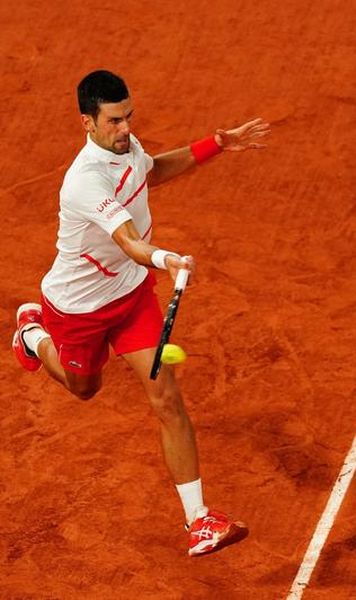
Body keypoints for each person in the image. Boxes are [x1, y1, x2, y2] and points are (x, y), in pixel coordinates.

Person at [12, 70, 270, 556]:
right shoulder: (84, 181)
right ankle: (31, 334)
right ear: (87, 122)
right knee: (83, 388)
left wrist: (215, 143)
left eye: (128, 116)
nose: (125, 128)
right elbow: (128, 240)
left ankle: (199, 520)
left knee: (166, 399)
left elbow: (151, 171)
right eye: (113, 121)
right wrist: (165, 258)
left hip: (130, 296)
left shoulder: (126, 147)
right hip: (79, 308)